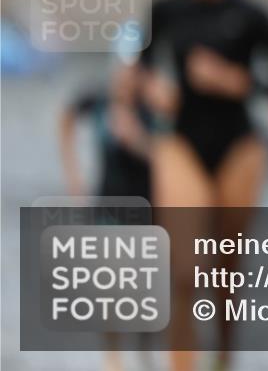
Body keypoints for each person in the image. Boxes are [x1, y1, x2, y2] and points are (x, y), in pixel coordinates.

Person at [138, 0, 268, 371]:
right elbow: (137, 69)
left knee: (225, 269)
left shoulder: (251, 13)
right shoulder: (164, 9)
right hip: (181, 141)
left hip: (238, 143)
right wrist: (153, 90)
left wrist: (234, 81)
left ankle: (224, 357)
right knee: (185, 269)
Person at [58, 64, 153, 371]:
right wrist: (74, 177)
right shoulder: (99, 99)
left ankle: (143, 352)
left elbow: (171, 158)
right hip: (109, 202)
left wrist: (137, 140)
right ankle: (113, 358)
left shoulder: (153, 104)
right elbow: (66, 118)